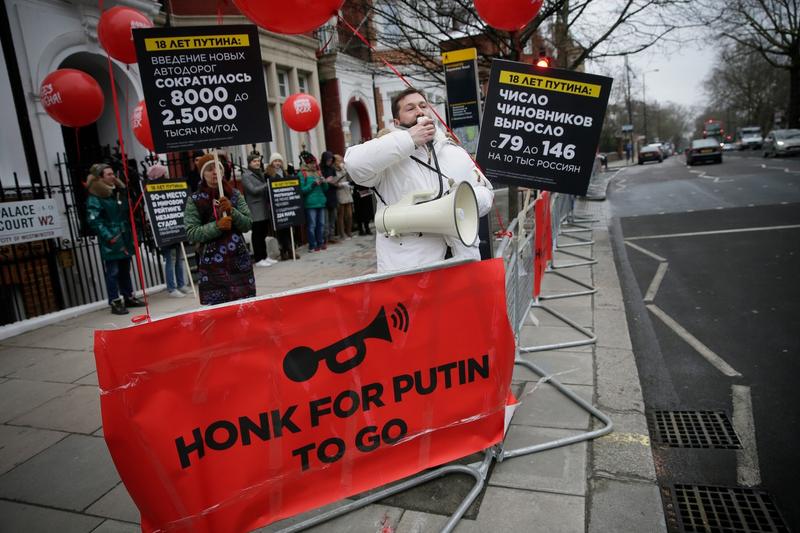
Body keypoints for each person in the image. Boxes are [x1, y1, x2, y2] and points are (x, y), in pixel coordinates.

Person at [344, 87, 494, 272]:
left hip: (462, 261)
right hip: (410, 267)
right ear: (396, 121)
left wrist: (461, 203)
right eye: (410, 108)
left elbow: (486, 191)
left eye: (423, 105)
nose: (420, 111)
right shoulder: (386, 154)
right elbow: (354, 164)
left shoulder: (453, 150)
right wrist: (409, 139)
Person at [184, 153, 255, 305]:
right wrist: (217, 226)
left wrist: (233, 212)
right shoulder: (195, 200)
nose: (215, 172)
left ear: (223, 171)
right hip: (212, 266)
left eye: (217, 168)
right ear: (203, 174)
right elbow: (191, 232)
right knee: (219, 312)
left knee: (245, 308)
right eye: (209, 169)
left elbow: (248, 223)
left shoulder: (235, 194)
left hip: (239, 261)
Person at [86, 163, 145, 315]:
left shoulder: (117, 192)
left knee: (125, 269)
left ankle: (128, 296)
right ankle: (115, 301)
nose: (113, 176)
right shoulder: (95, 197)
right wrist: (108, 236)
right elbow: (94, 220)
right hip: (112, 239)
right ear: (100, 177)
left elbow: (125, 212)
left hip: (124, 236)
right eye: (109, 174)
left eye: (113, 173)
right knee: (113, 272)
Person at [146, 164, 191, 298]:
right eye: (165, 174)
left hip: (176, 230)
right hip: (165, 232)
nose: (167, 176)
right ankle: (172, 288)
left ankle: (181, 284)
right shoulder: (151, 192)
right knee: (170, 260)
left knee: (179, 258)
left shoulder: (170, 189)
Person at [241, 151, 276, 267]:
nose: (257, 163)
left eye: (258, 161)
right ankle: (258, 258)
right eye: (254, 161)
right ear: (249, 163)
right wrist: (267, 184)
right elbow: (253, 190)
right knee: (257, 234)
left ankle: (265, 256)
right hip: (255, 209)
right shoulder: (246, 176)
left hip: (263, 207)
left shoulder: (260, 173)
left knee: (263, 233)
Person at [268, 152, 300, 260]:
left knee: (289, 228)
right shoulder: (268, 174)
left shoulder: (284, 172)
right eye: (275, 161)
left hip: (287, 203)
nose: (277, 163)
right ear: (272, 162)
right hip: (277, 205)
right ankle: (283, 251)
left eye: (279, 161)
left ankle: (291, 250)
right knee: (281, 230)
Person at [298, 151, 328, 252]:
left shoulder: (318, 172)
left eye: (314, 163)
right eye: (311, 163)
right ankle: (312, 245)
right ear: (306, 164)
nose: (314, 165)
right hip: (310, 204)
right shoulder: (302, 174)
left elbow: (325, 189)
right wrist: (313, 184)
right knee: (312, 225)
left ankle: (321, 242)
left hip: (321, 202)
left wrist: (324, 182)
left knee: (321, 224)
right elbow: (302, 190)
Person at [320, 151, 339, 243]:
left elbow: (335, 180)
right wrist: (326, 181)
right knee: (325, 219)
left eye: (331, 159)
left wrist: (335, 182)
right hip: (325, 195)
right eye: (328, 159)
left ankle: (332, 236)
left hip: (333, 194)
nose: (330, 161)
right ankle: (325, 237)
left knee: (333, 217)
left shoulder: (332, 169)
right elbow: (320, 181)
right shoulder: (321, 169)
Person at [333, 154, 354, 239]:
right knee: (341, 214)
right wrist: (341, 183)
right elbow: (334, 182)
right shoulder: (333, 170)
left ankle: (349, 232)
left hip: (347, 192)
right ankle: (342, 233)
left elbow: (349, 179)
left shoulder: (343, 169)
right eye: (339, 161)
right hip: (340, 192)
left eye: (341, 160)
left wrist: (346, 170)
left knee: (349, 214)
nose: (341, 162)